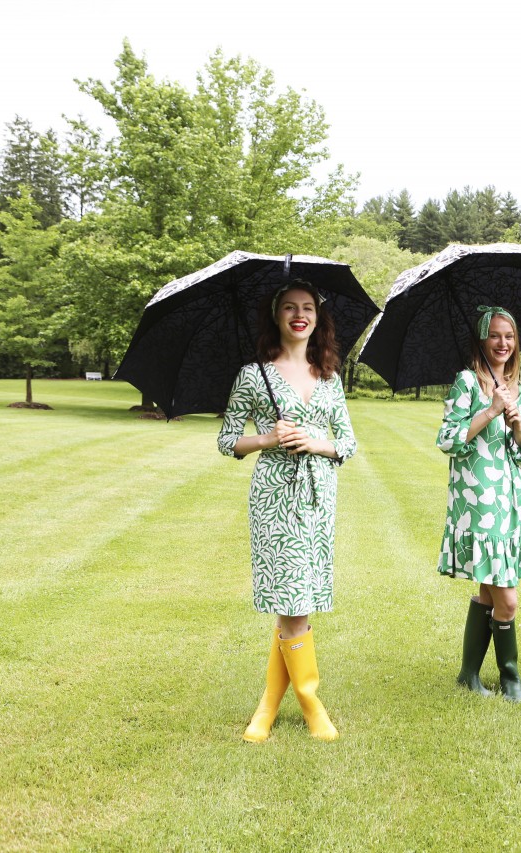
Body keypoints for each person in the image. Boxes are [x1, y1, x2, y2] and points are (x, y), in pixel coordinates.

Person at [217, 280, 357, 741]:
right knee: (294, 601)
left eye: (308, 308)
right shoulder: (253, 375)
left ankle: (267, 706)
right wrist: (268, 438)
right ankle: (312, 704)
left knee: (298, 599)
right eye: (290, 308)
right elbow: (227, 440)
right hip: (275, 497)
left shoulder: (330, 377)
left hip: (320, 496)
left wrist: (315, 443)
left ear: (318, 317)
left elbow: (347, 442)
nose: (300, 315)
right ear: (275, 316)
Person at [436, 306, 521, 702]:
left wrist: (518, 428)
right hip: (477, 500)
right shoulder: (466, 382)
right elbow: (448, 439)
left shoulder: (518, 389)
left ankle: (468, 674)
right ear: (482, 340)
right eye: (495, 335)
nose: (503, 343)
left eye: (509, 336)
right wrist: (490, 409)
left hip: (508, 500)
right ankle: (510, 677)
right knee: (507, 600)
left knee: (489, 592)